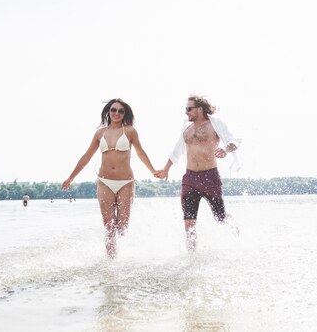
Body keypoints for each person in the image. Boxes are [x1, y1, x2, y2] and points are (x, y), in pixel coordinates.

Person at [62, 98, 159, 258]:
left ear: (124, 114)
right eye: (113, 110)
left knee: (122, 227)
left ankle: (126, 255)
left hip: (126, 183)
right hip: (105, 182)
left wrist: (153, 170)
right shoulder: (100, 133)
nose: (116, 113)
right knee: (109, 226)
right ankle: (111, 262)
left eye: (121, 111)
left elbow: (141, 152)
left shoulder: (129, 131)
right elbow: (86, 157)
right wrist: (71, 177)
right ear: (108, 111)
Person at [158, 95, 241, 252]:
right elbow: (176, 151)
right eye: (186, 109)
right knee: (189, 222)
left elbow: (234, 141)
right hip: (190, 178)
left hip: (209, 177)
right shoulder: (186, 128)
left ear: (199, 109)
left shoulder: (215, 124)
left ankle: (237, 234)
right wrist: (165, 169)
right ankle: (191, 257)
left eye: (189, 109)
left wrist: (225, 149)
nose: (186, 112)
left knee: (220, 217)